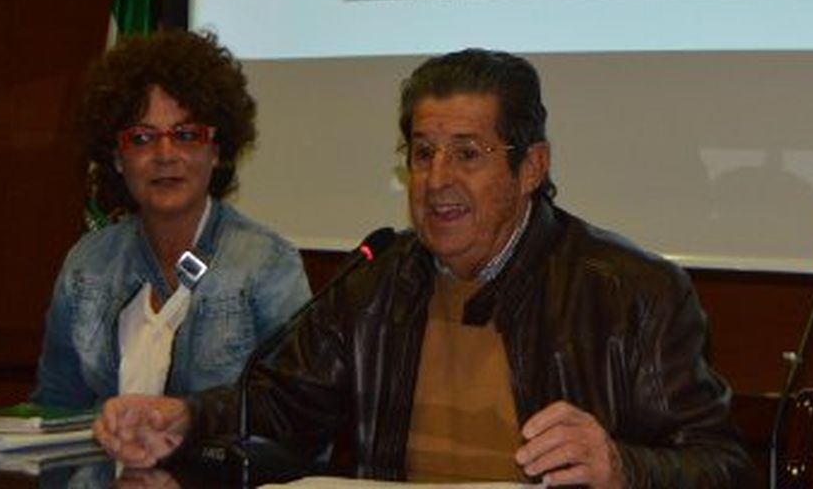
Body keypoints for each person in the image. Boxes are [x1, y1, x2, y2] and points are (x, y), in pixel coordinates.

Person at [94, 49, 752, 488]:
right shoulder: (381, 282)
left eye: (467, 154)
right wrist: (185, 418)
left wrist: (620, 467)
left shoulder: (629, 293)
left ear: (531, 168)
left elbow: (725, 466)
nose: (437, 181)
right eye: (423, 152)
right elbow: (282, 406)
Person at [31, 30, 313, 410]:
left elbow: (296, 425)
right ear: (117, 157)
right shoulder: (87, 265)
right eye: (142, 138)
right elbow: (54, 410)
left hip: (208, 471)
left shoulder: (267, 266)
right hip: (100, 471)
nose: (165, 154)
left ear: (217, 150)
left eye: (186, 134)